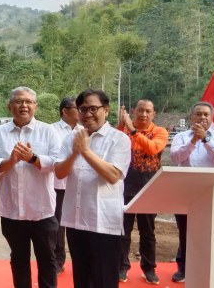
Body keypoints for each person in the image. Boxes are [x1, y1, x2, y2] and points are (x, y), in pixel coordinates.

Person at [0, 86, 61, 288]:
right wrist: (10, 161)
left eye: (28, 102)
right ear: (10, 107)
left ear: (35, 106)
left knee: (47, 259)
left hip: (42, 210)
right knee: (18, 259)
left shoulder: (48, 131)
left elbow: (57, 163)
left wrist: (33, 158)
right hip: (12, 211)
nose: (24, 105)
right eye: (19, 101)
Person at [54, 89, 131, 288]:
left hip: (104, 221)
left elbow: (113, 175)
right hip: (75, 220)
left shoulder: (119, 139)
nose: (87, 114)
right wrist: (74, 153)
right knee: (81, 278)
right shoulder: (72, 138)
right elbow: (59, 173)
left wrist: (86, 152)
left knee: (104, 279)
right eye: (83, 109)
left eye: (93, 108)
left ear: (106, 110)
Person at [170, 101, 214, 283]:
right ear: (191, 117)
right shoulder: (181, 137)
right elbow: (176, 157)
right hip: (187, 192)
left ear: (211, 117)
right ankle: (184, 268)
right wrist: (194, 141)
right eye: (198, 114)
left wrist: (206, 140)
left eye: (206, 115)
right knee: (186, 232)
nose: (202, 118)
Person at [117, 100, 168, 284]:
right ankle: (121, 266)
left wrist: (132, 131)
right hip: (124, 188)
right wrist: (122, 127)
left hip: (150, 189)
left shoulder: (159, 132)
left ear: (153, 114)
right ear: (132, 111)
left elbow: (153, 148)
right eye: (140, 111)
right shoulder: (122, 131)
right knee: (123, 230)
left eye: (148, 111)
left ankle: (148, 268)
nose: (144, 114)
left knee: (148, 232)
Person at [50, 96, 80, 276]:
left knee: (78, 224)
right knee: (58, 224)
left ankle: (80, 260)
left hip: (80, 185)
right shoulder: (52, 130)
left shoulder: (84, 131)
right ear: (65, 111)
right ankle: (57, 259)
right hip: (59, 185)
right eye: (78, 108)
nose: (82, 112)